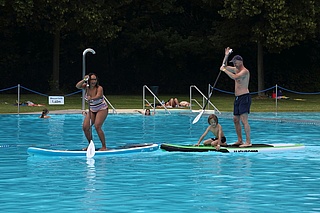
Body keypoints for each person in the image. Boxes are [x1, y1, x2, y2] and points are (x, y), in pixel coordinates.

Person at [220, 47, 251, 147]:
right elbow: (223, 65)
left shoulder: (245, 71)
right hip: (237, 98)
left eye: (236, 62)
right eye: (233, 62)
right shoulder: (235, 69)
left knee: (243, 120)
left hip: (244, 97)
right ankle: (240, 140)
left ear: (241, 62)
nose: (234, 64)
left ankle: (248, 142)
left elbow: (235, 77)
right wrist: (226, 55)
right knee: (235, 119)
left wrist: (224, 70)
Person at [76, 73, 108, 151]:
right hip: (92, 109)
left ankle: (104, 146)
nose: (94, 81)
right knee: (85, 127)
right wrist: (84, 80)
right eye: (92, 79)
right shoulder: (86, 87)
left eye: (95, 79)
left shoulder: (99, 88)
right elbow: (77, 86)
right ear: (89, 80)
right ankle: (91, 145)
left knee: (97, 126)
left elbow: (99, 96)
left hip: (102, 108)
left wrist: (91, 98)